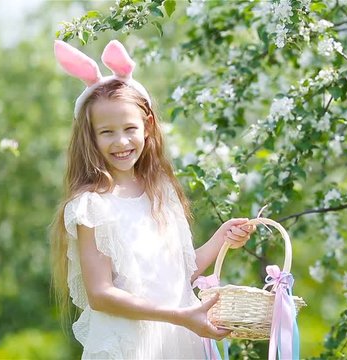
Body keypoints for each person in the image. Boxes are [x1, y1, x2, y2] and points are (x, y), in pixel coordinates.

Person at [50, 39, 255, 359]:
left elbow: (177, 274)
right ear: (90, 136)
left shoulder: (162, 193)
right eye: (106, 132)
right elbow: (101, 295)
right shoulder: (92, 207)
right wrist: (180, 316)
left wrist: (221, 238)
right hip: (132, 345)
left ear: (147, 126)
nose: (120, 141)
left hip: (178, 340)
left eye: (129, 128)